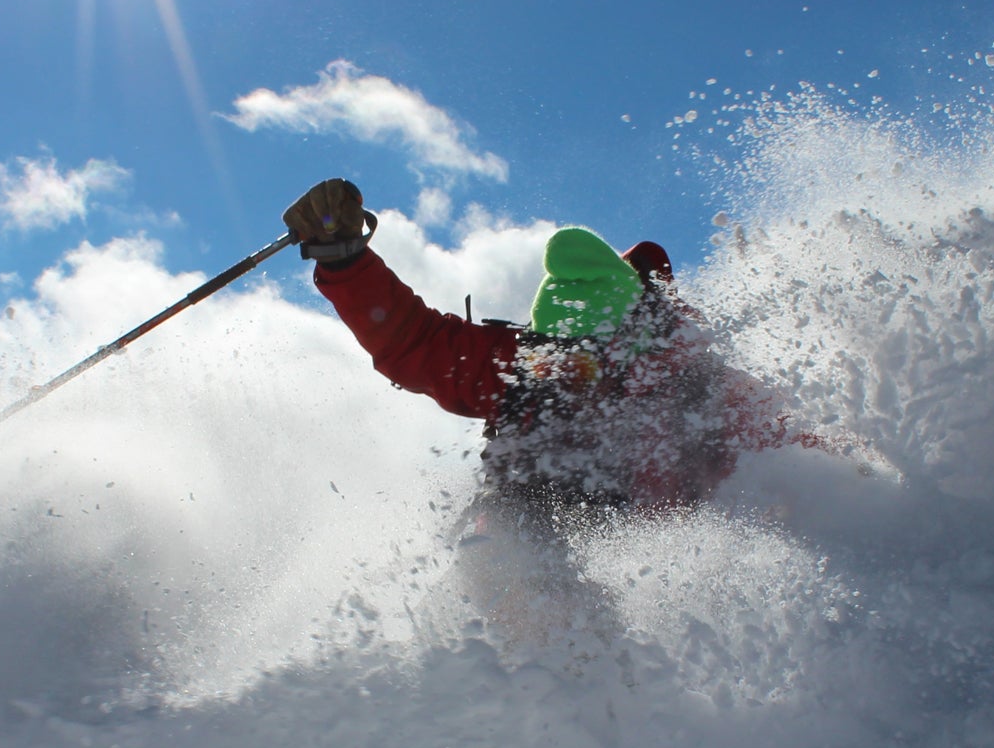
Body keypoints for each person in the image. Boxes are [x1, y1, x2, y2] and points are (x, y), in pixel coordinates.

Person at [283, 177, 794, 512]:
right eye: (557, 352)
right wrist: (344, 258)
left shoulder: (710, 397)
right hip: (541, 541)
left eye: (586, 360)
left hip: (682, 556)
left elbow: (810, 470)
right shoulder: (529, 368)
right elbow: (417, 343)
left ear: (627, 347)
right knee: (507, 518)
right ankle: (519, 645)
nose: (566, 371)